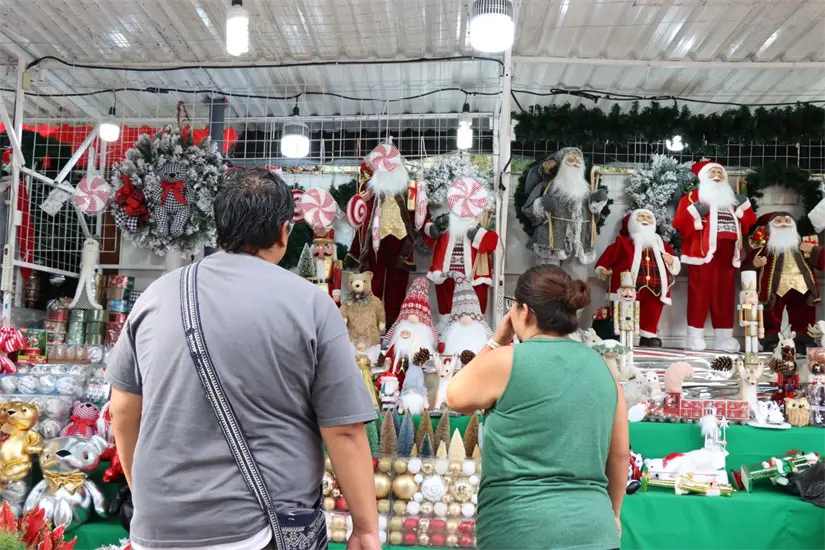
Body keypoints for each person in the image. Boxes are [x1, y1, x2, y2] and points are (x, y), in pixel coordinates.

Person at [106, 168, 381, 550]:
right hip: (260, 529)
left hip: (160, 531)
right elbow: (345, 432)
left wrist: (148, 497)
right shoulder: (311, 304)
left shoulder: (157, 295)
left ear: (220, 228)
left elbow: (122, 410)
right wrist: (366, 529)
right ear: (285, 232)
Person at [446, 265, 628, 550]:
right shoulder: (603, 368)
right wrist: (613, 514)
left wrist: (496, 341)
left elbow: (454, 395)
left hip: (518, 530)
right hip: (595, 530)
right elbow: (619, 456)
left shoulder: (506, 360)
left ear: (524, 311)